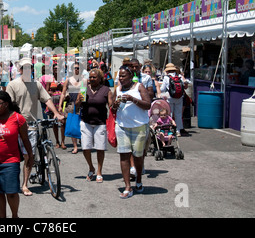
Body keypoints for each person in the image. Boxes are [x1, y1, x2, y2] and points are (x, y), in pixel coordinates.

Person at [6, 57, 64, 196]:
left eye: (29, 67)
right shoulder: (12, 85)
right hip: (15, 125)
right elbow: (7, 106)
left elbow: (47, 99)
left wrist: (56, 113)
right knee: (14, 157)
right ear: (20, 70)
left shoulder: (36, 84)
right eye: (24, 68)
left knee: (28, 156)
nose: (27, 70)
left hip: (31, 126)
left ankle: (24, 184)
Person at [0, 91, 33, 218]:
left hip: (11, 161)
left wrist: (30, 156)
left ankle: (15, 215)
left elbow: (25, 139)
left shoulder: (17, 118)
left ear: (6, 104)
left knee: (11, 193)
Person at [111, 66, 151, 198]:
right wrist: (115, 104)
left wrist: (132, 99)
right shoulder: (118, 89)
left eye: (123, 76)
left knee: (138, 156)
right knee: (124, 156)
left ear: (130, 76)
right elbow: (112, 108)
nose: (121, 79)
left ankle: (138, 179)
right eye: (119, 76)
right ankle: (128, 186)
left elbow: (148, 105)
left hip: (139, 127)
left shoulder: (139, 87)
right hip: (122, 126)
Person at [75, 69, 112, 183]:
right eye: (90, 77)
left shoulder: (106, 90)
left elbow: (111, 106)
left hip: (100, 123)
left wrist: (114, 106)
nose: (91, 79)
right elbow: (76, 106)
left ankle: (99, 171)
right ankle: (91, 167)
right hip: (86, 122)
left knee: (100, 148)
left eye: (94, 77)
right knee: (86, 147)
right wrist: (79, 101)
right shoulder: (84, 89)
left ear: (100, 79)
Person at [59, 62, 83, 154]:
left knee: (81, 124)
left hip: (81, 104)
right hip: (71, 105)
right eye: (75, 68)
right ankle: (75, 146)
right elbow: (63, 93)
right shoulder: (68, 80)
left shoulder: (84, 80)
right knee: (72, 124)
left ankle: (81, 140)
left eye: (78, 68)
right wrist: (60, 105)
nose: (76, 69)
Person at [159, 63, 189, 136]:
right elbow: (185, 85)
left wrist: (158, 88)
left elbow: (162, 89)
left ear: (167, 71)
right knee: (178, 114)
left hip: (170, 97)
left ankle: (170, 130)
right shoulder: (179, 76)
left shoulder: (166, 77)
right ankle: (178, 130)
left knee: (170, 114)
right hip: (179, 97)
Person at [45, 63, 66, 149]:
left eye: (58, 68)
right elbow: (45, 91)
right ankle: (57, 141)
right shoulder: (50, 79)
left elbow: (65, 89)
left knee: (63, 121)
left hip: (62, 101)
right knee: (54, 123)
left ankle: (63, 141)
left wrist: (61, 85)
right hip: (53, 101)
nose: (56, 70)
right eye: (55, 68)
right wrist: (50, 92)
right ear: (52, 70)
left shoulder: (63, 79)